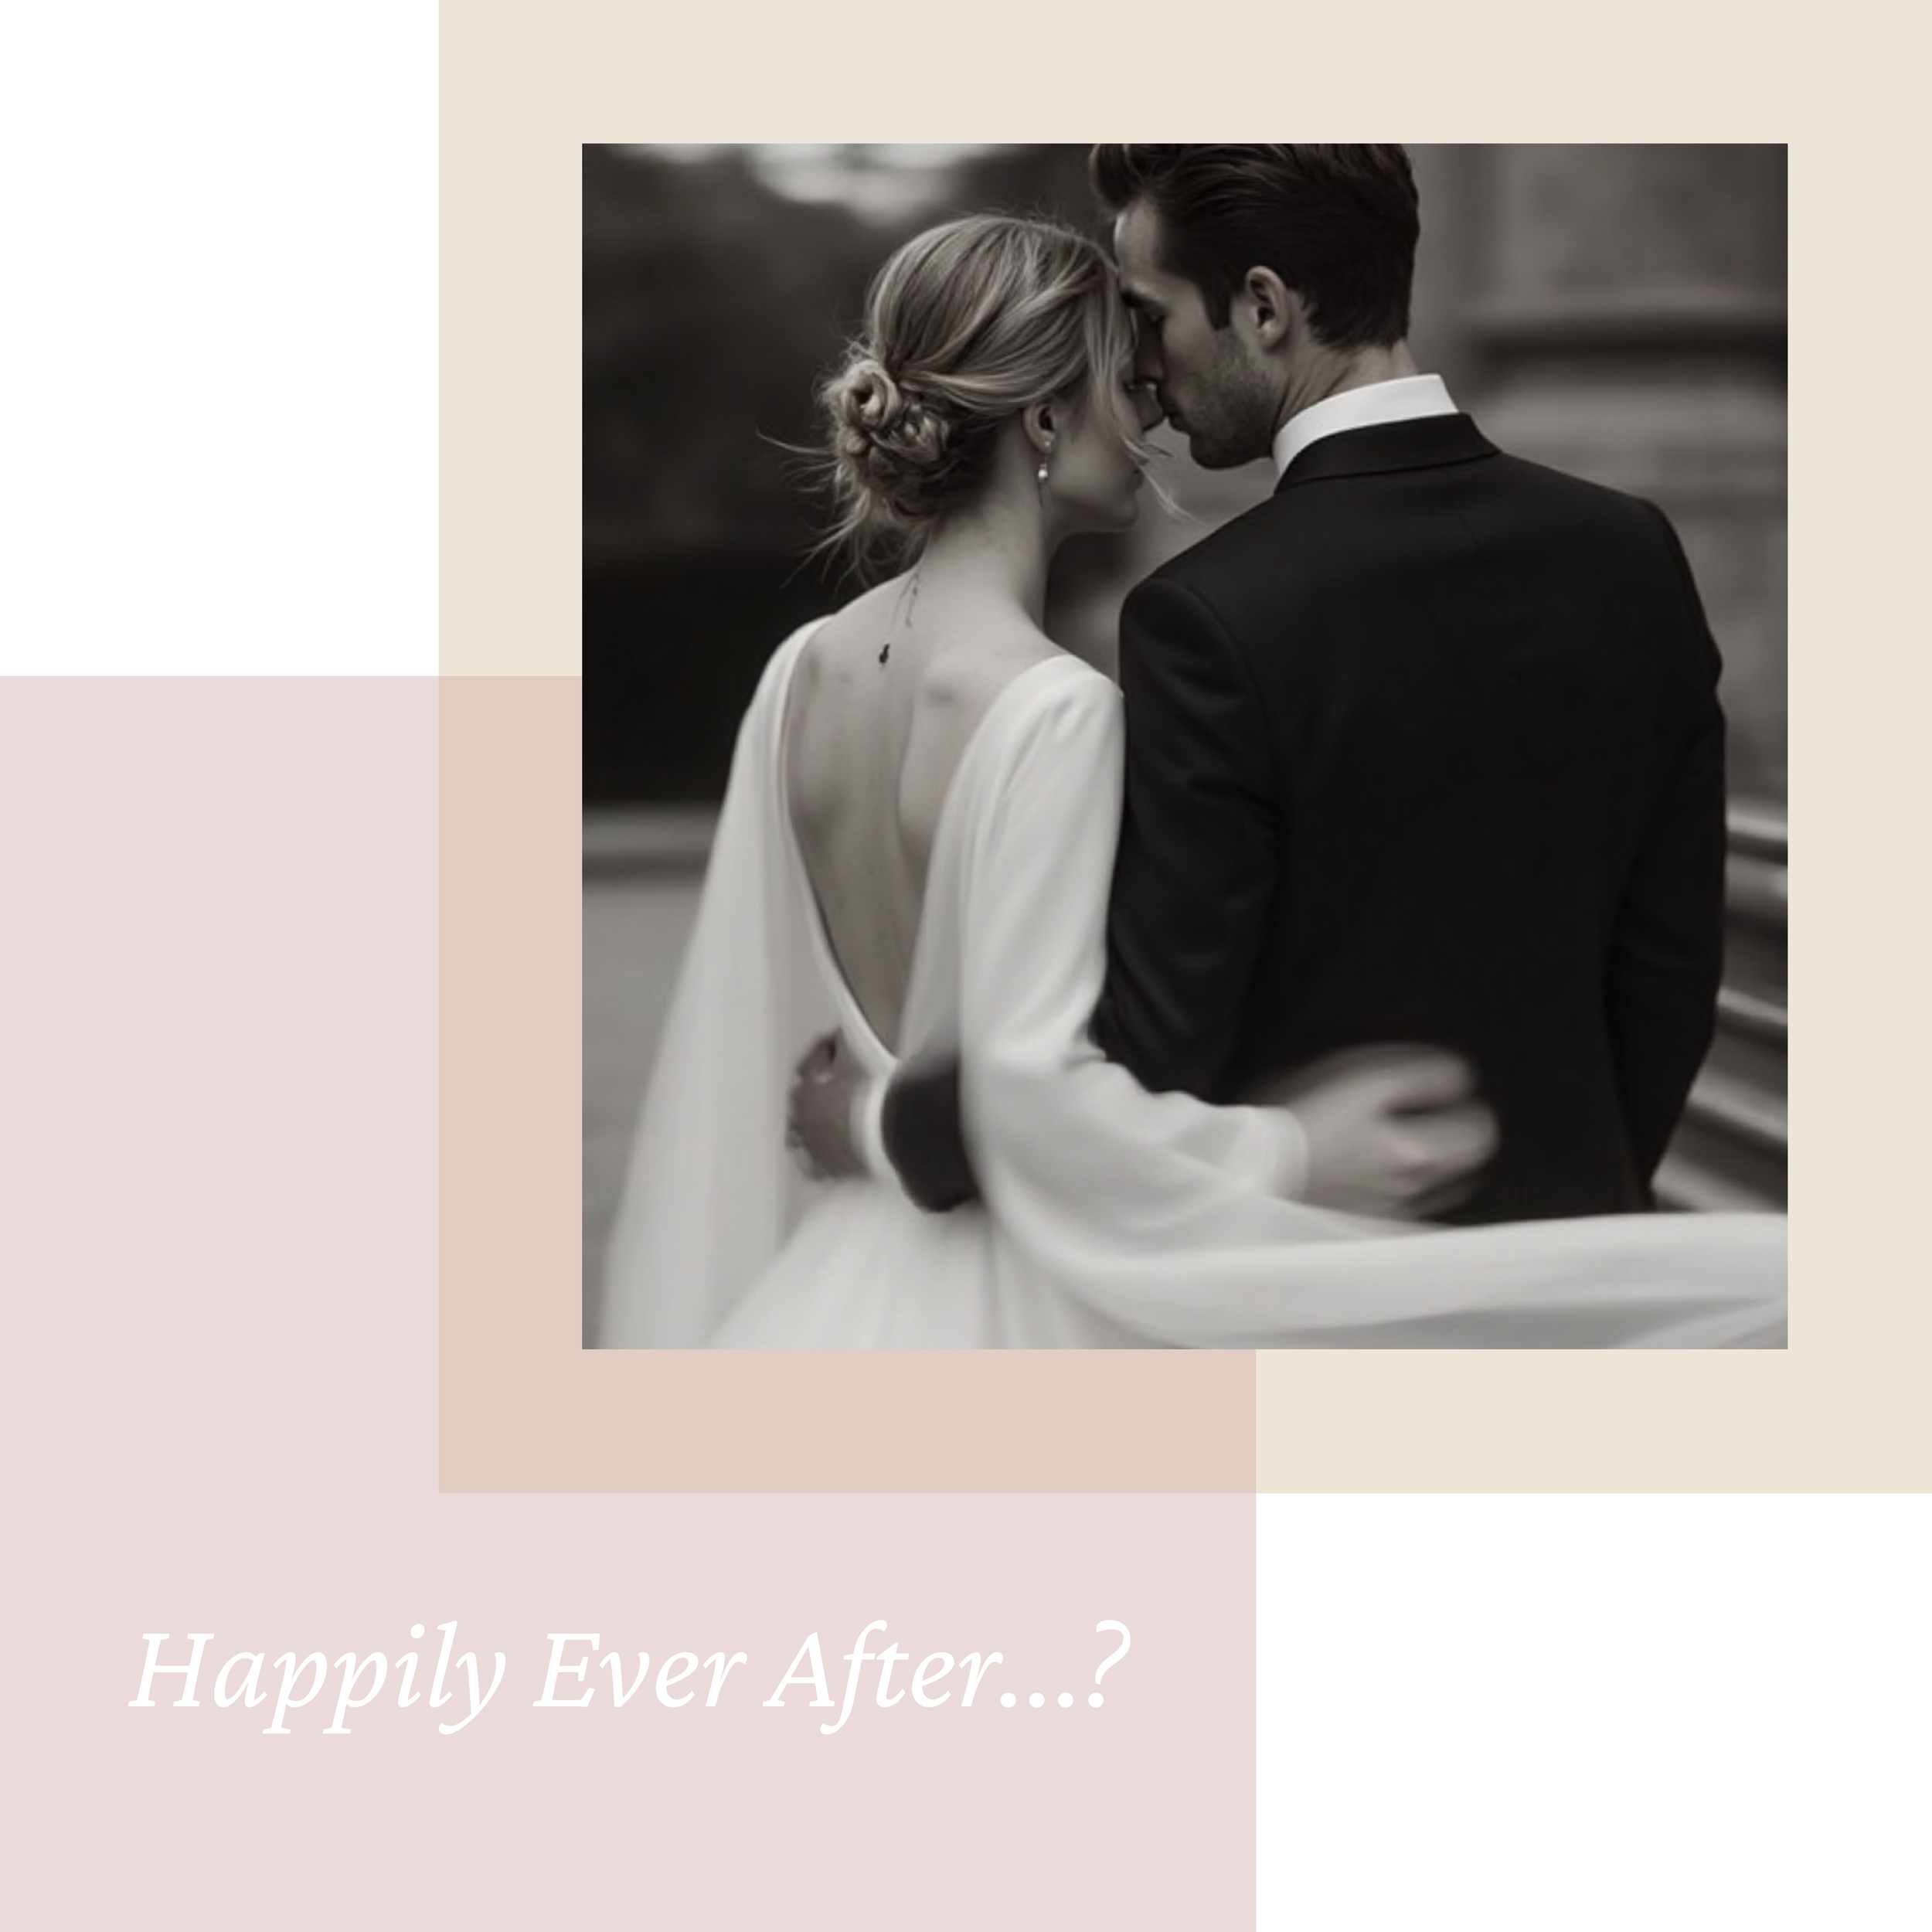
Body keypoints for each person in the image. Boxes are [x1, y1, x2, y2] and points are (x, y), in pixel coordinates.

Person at [591, 207, 1784, 1351]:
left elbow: (811, 1034)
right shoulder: (1056, 708)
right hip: (1024, 1296)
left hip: (842, 1283)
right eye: (1127, 371)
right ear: (1047, 423)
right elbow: (1057, 1087)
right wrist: (1295, 1152)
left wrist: (871, 1116)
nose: (1152, 405)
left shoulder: (802, 671)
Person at [798, 145, 1734, 1234]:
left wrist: (883, 1123)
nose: (1140, 368)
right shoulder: (1632, 550)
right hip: (1584, 1245)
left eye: (1148, 316)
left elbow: (1153, 1039)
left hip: (1312, 1276)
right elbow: (1671, 964)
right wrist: (1582, 1197)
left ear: (1262, 307)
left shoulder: (1208, 615)